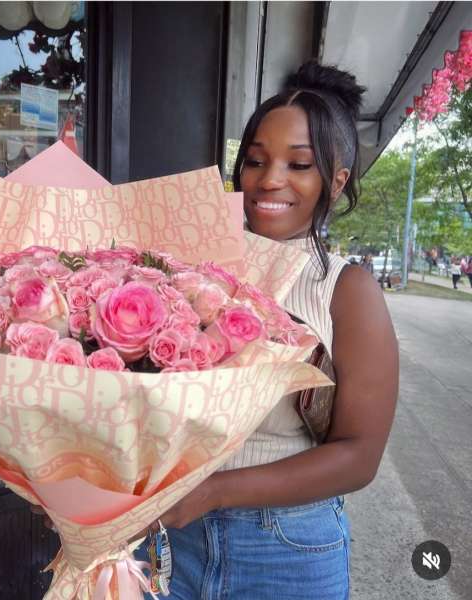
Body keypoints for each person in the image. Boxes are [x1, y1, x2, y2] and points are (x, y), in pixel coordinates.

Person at [136, 61, 398, 599]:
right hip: (169, 537)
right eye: (255, 160)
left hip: (286, 548)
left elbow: (359, 455)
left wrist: (214, 491)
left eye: (298, 164)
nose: (269, 179)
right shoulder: (192, 270)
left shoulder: (344, 291)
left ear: (336, 181)